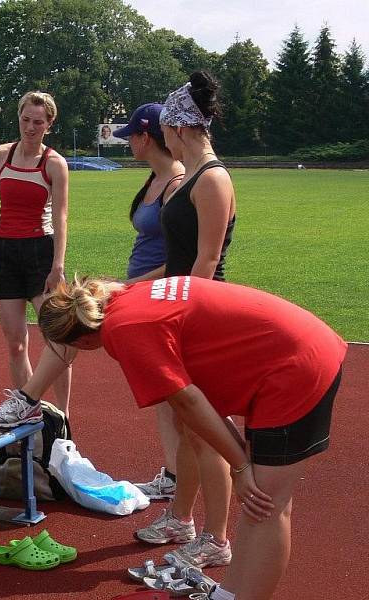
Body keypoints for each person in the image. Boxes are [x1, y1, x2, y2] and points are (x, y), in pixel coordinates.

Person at [32, 275, 346, 600]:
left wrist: (240, 467)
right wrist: (241, 461)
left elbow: (189, 401)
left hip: (296, 368)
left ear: (81, 341)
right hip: (294, 351)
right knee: (260, 503)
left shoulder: (123, 330)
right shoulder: (125, 298)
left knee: (266, 506)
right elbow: (195, 410)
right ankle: (229, 594)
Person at [127, 71, 239, 569]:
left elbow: (206, 263)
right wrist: (131, 286)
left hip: (199, 316)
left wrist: (181, 318)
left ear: (180, 128)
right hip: (178, 306)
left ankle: (215, 538)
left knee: (206, 431)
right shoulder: (189, 179)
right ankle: (182, 517)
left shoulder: (212, 179)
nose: (162, 135)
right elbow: (178, 258)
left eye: (166, 127)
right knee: (188, 427)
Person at [0, 90, 72, 420]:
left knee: (57, 339)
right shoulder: (1, 155)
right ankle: (31, 413)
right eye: (25, 120)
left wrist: (57, 265)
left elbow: (61, 216)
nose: (30, 127)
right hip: (4, 252)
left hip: (40, 251)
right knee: (16, 343)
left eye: (38, 122)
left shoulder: (54, 164)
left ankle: (63, 416)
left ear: (49, 124)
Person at [113, 103, 185, 500]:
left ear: (146, 137)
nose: (128, 144)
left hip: (157, 294)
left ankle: (184, 478)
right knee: (166, 393)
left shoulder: (176, 184)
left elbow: (179, 258)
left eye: (131, 137)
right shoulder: (155, 178)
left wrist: (131, 286)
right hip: (143, 290)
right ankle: (174, 475)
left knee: (178, 392)